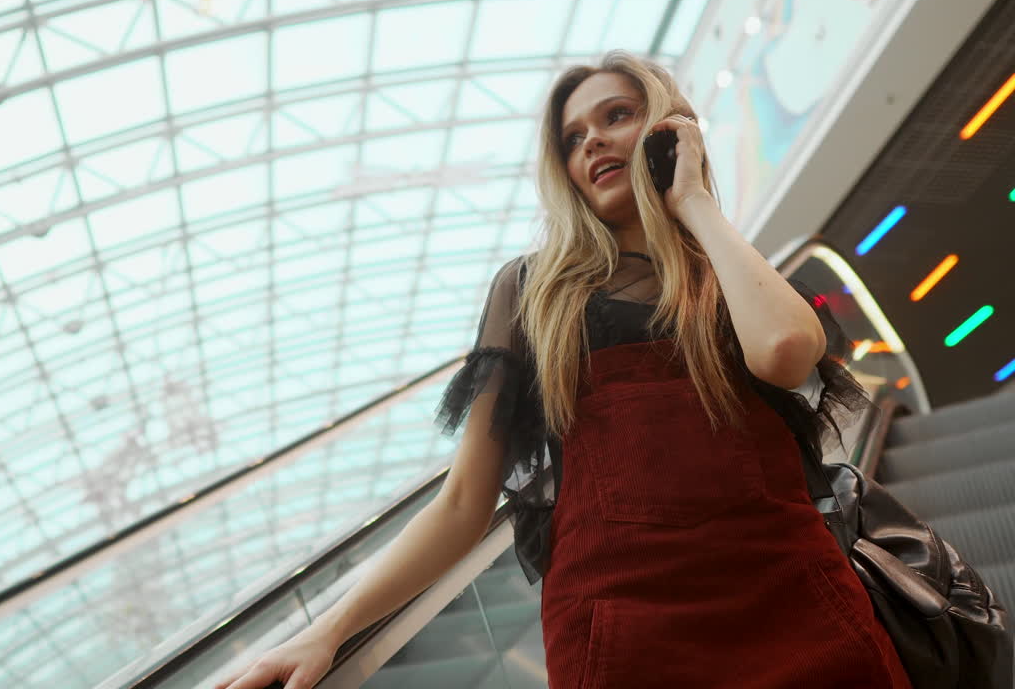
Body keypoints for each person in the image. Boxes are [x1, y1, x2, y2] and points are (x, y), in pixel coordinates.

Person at [214, 49, 913, 689]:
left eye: (618, 116)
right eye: (574, 138)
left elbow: (788, 352)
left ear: (671, 130)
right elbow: (463, 503)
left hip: (794, 598)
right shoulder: (532, 291)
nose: (594, 142)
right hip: (623, 633)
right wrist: (328, 631)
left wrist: (694, 202)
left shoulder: (727, 270)